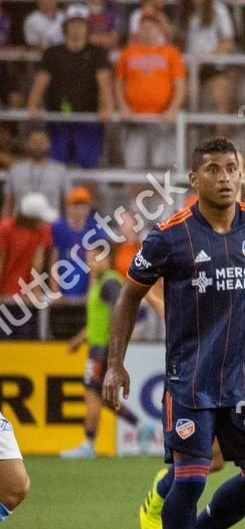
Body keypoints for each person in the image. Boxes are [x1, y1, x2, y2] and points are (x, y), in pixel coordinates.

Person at [101, 138, 245, 529]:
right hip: (191, 382)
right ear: (194, 179)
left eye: (232, 168)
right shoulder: (170, 236)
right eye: (213, 169)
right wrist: (114, 364)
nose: (224, 177)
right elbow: (128, 296)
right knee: (189, 480)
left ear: (242, 174)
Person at [64, 242, 155, 459]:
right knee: (103, 397)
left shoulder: (111, 283)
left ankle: (88, 444)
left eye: (96, 257)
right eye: (89, 258)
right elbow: (98, 320)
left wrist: (113, 345)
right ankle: (142, 427)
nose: (92, 263)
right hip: (97, 346)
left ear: (108, 259)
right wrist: (79, 339)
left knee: (91, 395)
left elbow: (120, 313)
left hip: (102, 349)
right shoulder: (98, 283)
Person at [26, 5, 112, 169]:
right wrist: (32, 105)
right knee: (55, 166)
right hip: (58, 119)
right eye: (73, 24)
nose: (77, 29)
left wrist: (106, 107)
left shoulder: (97, 53)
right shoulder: (52, 53)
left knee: (89, 168)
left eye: (81, 24)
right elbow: (41, 81)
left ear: (87, 27)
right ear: (65, 27)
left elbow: (104, 82)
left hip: (89, 119)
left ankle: (89, 196)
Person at [115, 13, 187, 170]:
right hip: (135, 118)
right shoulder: (127, 53)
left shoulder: (171, 53)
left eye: (152, 27)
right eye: (144, 27)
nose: (148, 30)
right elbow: (119, 83)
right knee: (134, 164)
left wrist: (172, 109)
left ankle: (159, 195)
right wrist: (123, 106)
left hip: (162, 119)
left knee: (162, 165)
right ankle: (135, 196)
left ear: (159, 30)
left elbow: (179, 84)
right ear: (138, 30)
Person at [0, 193, 56, 340]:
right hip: (6, 298)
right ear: (31, 218)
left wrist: (35, 292)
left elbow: (37, 262)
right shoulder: (5, 229)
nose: (44, 222)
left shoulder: (43, 229)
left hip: (26, 300)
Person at [4, 130, 69, 218]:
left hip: (50, 224)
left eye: (41, 141)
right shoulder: (15, 170)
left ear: (49, 144)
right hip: (21, 224)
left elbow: (66, 204)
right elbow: (8, 203)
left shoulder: (60, 170)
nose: (38, 145)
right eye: (34, 141)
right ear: (27, 144)